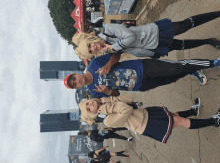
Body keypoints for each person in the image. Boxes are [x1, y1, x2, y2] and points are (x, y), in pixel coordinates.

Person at [74, 11, 220, 60]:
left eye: (89, 45)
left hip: (154, 32)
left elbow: (130, 37)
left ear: (90, 39)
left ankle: (217, 14)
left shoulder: (107, 29)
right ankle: (208, 41)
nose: (93, 48)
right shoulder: (107, 49)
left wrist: (114, 46)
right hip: (153, 48)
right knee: (182, 45)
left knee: (185, 25)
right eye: (91, 51)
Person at [64, 52, 220, 97]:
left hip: (142, 68)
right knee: (172, 78)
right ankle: (192, 70)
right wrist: (107, 92)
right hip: (140, 86)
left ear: (76, 74)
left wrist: (108, 65)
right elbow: (117, 93)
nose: (77, 81)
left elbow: (116, 55)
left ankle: (212, 62)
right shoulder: (93, 91)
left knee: (177, 68)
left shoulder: (93, 65)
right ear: (78, 87)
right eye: (75, 84)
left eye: (74, 79)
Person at [79, 94, 220, 144]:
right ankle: (214, 121)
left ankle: (193, 111)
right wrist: (108, 107)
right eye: (89, 109)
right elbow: (126, 110)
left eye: (88, 103)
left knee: (174, 116)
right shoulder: (107, 120)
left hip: (146, 114)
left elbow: (128, 99)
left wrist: (110, 99)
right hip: (147, 124)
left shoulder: (107, 103)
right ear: (92, 114)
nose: (90, 105)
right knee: (180, 122)